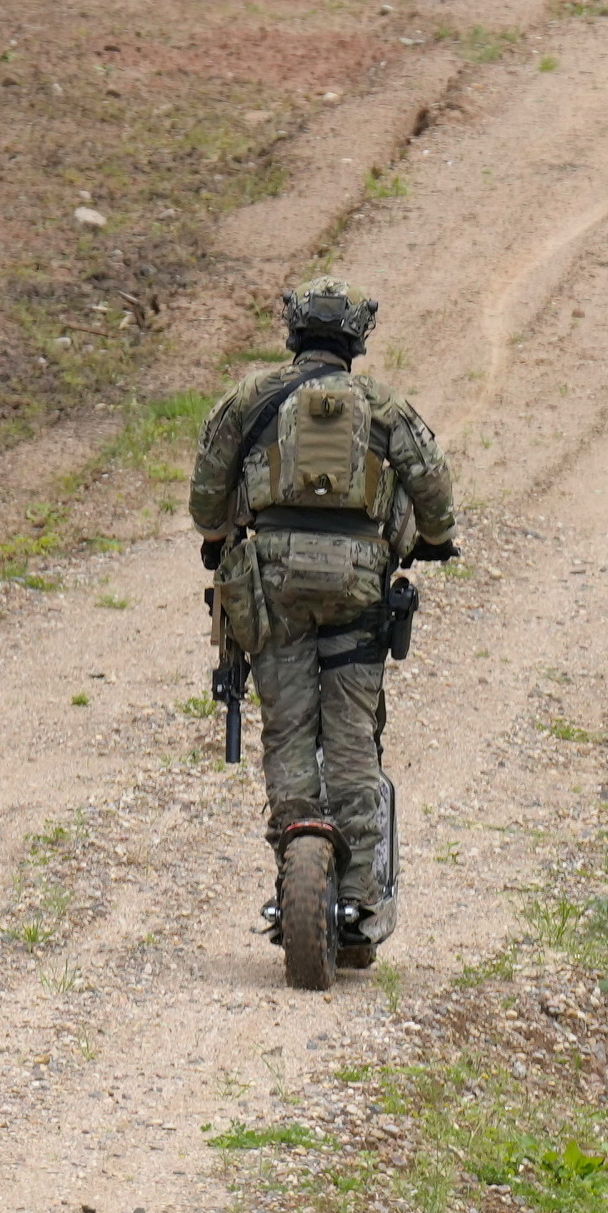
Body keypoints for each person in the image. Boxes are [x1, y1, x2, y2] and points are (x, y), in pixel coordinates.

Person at [187, 276, 456, 964]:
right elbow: (431, 482)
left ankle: (294, 870)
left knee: (288, 728)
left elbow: (207, 489)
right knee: (352, 739)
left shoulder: (252, 397)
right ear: (356, 342)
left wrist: (220, 538)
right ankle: (360, 897)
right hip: (360, 586)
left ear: (293, 334)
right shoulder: (382, 405)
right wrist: (435, 537)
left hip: (271, 587)